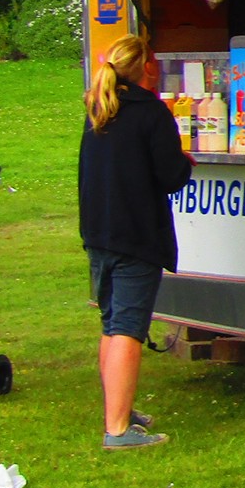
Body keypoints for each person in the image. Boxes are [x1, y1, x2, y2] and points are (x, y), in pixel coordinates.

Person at [78, 34, 192, 450]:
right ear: (146, 67)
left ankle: (118, 407)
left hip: (99, 232)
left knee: (111, 324)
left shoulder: (100, 109)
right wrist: (184, 161)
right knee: (128, 328)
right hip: (136, 233)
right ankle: (118, 429)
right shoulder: (152, 114)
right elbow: (170, 175)